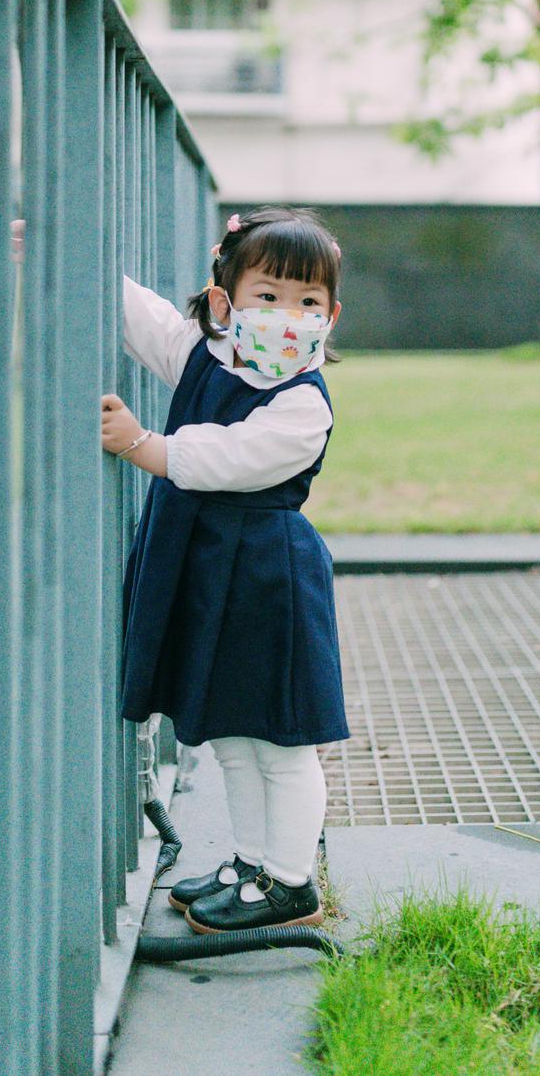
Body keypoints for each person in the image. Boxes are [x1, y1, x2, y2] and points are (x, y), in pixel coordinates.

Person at [99, 204, 350, 934]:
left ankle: (291, 881)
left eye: (307, 302)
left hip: (270, 581)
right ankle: (252, 862)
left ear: (330, 316)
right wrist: (67, 248)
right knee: (234, 737)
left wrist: (142, 444)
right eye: (267, 295)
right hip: (215, 577)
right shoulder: (208, 356)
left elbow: (224, 460)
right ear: (224, 302)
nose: (287, 317)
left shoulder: (303, 406)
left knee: (281, 739)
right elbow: (144, 319)